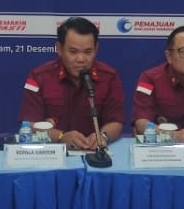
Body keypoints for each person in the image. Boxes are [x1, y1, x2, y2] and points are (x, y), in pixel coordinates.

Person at [18, 16, 124, 150]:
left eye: (88, 52)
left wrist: (102, 136)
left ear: (96, 49)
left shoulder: (109, 77)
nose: (81, 59)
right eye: (73, 52)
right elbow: (28, 125)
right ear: (59, 49)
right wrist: (60, 137)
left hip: (93, 152)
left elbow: (116, 122)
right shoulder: (38, 77)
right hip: (51, 152)